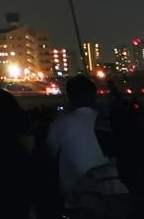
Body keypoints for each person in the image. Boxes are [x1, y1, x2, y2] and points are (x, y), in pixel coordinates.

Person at [46, 74, 127, 216]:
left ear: (70, 97)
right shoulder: (107, 122)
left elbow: (50, 155)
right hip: (115, 195)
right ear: (93, 95)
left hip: (74, 200)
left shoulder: (61, 123)